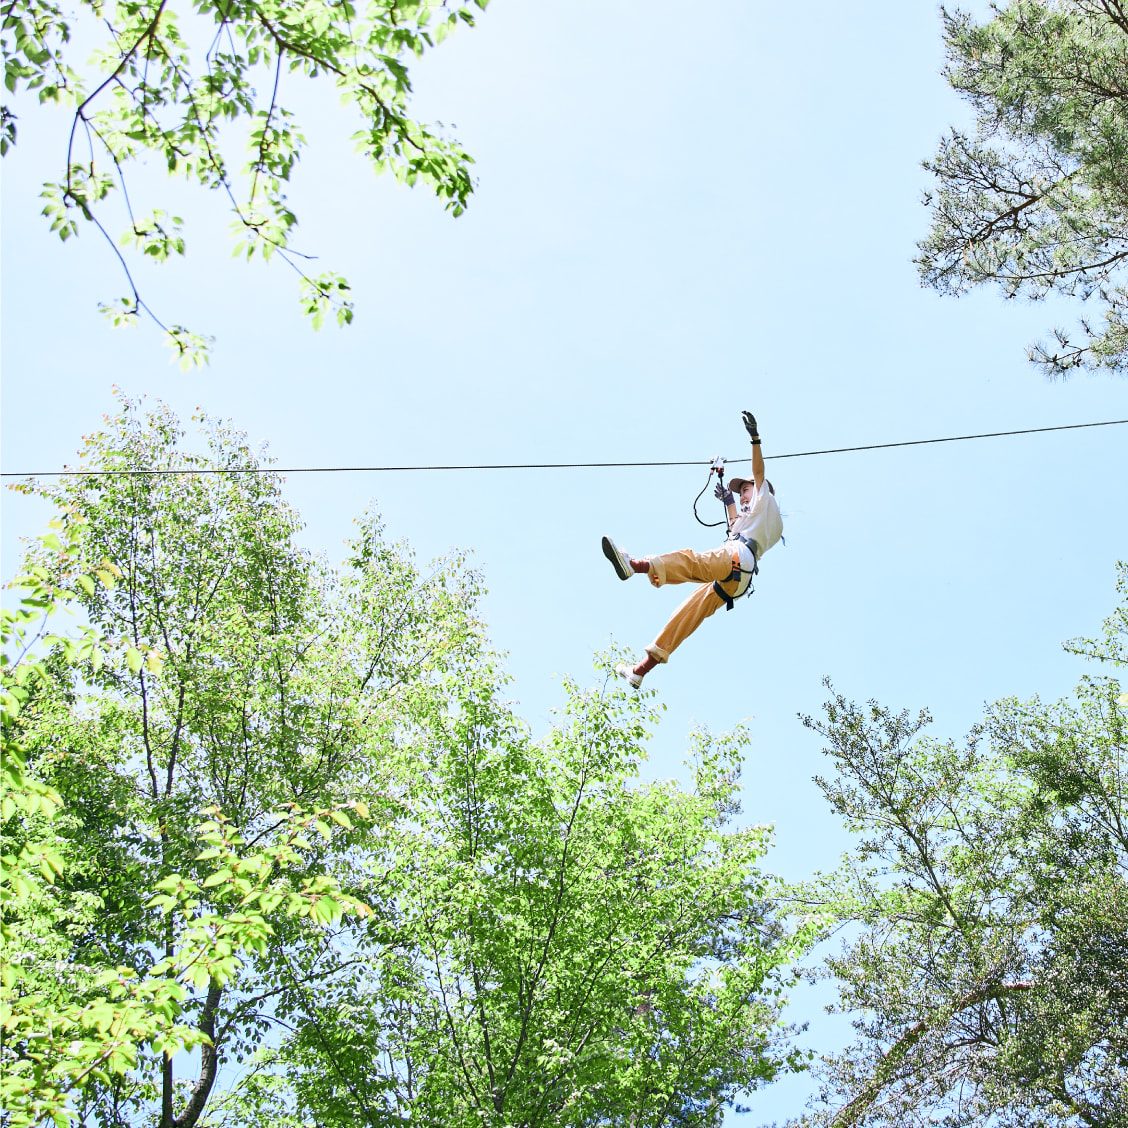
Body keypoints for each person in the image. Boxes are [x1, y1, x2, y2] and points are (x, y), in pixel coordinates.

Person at [602, 411, 782, 688]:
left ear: (760, 491)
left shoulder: (765, 499)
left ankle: (634, 565)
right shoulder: (759, 519)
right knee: (685, 615)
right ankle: (640, 670)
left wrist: (755, 439)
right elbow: (736, 526)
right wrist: (729, 501)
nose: (744, 494)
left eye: (746, 490)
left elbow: (759, 474)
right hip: (737, 578)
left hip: (736, 559)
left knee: (690, 560)